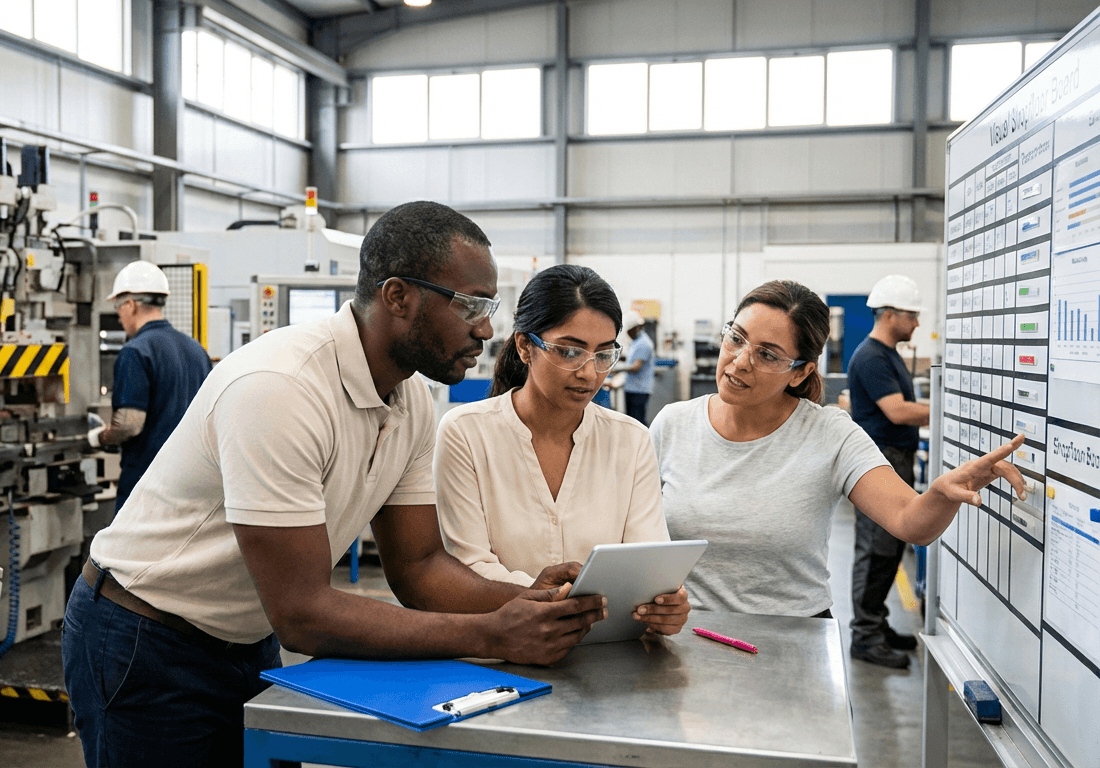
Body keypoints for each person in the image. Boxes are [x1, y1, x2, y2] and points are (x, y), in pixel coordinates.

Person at [62, 201, 606, 767]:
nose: (486, 329)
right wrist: (492, 634)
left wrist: (531, 601)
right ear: (398, 297)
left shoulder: (411, 400)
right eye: (470, 304)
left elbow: (418, 566)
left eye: (488, 307)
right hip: (144, 634)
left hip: (243, 635)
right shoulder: (281, 389)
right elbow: (302, 614)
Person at [650, 280, 1026, 628]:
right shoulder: (673, 424)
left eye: (767, 355)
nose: (740, 360)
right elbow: (632, 534)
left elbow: (910, 522)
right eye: (736, 338)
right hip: (685, 635)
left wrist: (942, 494)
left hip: (794, 640)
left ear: (800, 373)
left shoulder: (829, 434)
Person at [435, 265, 690, 637]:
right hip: (501, 647)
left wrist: (664, 605)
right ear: (525, 347)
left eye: (603, 354)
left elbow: (647, 564)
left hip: (608, 650)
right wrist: (546, 598)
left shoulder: (631, 441)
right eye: (570, 351)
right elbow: (469, 566)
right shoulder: (466, 434)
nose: (588, 373)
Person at [846, 275, 932, 668]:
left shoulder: (887, 353)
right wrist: (948, 408)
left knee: (891, 546)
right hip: (880, 459)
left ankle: (876, 626)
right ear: (891, 314)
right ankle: (865, 636)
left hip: (897, 457)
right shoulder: (872, 357)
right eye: (912, 315)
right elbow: (896, 411)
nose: (917, 323)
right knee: (876, 548)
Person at [87, 260, 213, 513]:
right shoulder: (196, 350)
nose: (119, 316)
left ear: (131, 305)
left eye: (118, 307)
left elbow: (129, 424)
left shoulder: (135, 352)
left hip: (148, 485)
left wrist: (99, 437)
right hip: (192, 484)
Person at [618, 311, 656, 425]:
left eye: (629, 331)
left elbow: (636, 367)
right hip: (632, 388)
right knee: (631, 421)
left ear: (636, 328)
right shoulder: (636, 342)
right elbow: (631, 359)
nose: (628, 334)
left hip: (639, 390)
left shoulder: (643, 344)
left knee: (637, 422)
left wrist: (616, 369)